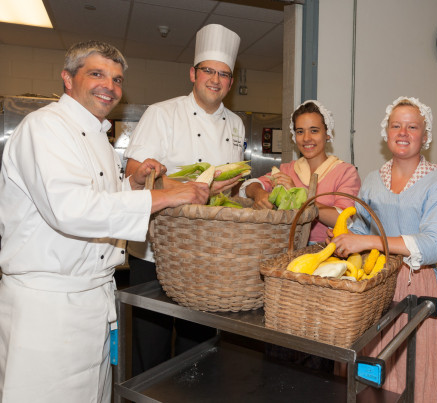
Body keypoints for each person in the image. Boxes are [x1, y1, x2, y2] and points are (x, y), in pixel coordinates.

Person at [0, 41, 209, 402]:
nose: (109, 86)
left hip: (93, 299)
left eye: (117, 79)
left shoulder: (99, 134)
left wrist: (134, 181)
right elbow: (72, 209)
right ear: (68, 78)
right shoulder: (46, 127)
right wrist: (170, 195)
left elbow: (104, 197)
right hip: (49, 306)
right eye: (96, 74)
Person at [123, 24, 244, 375]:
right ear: (193, 73)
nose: (216, 80)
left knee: (201, 348)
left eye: (224, 74)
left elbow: (232, 187)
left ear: (231, 82)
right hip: (157, 251)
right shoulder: (162, 113)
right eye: (209, 71)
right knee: (152, 344)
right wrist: (196, 186)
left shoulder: (235, 124)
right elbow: (135, 172)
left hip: (207, 253)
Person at [330, 96, 437, 402]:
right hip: (375, 288)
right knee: (374, 375)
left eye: (412, 126)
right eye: (396, 125)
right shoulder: (373, 181)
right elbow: (360, 230)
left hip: (418, 288)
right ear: (385, 133)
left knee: (414, 378)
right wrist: (341, 243)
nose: (403, 132)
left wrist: (367, 242)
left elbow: (431, 245)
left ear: (425, 137)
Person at [241, 100, 361, 243]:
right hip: (287, 249)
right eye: (300, 132)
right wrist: (259, 193)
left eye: (314, 130)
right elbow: (249, 185)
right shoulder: (287, 169)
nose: (306, 138)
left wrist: (300, 198)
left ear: (327, 133)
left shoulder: (344, 172)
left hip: (326, 251)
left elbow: (344, 219)